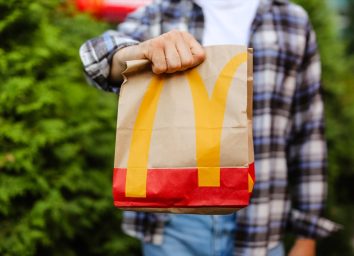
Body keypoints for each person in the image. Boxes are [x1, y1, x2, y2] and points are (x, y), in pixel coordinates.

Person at [79, 0, 339, 255]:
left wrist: (307, 235)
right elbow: (96, 56)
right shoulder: (161, 11)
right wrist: (133, 53)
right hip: (172, 219)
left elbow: (308, 129)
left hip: (262, 219)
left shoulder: (292, 20)